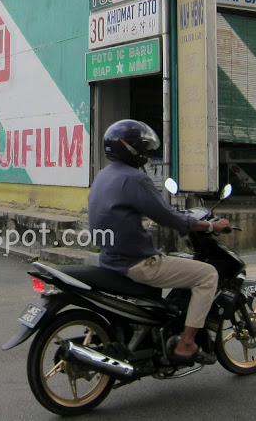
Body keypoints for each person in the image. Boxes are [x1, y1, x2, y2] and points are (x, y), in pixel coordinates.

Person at [88, 119, 230, 366]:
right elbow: (169, 217)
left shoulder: (103, 175)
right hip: (137, 263)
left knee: (177, 264)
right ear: (132, 149)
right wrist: (210, 225)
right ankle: (186, 343)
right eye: (144, 146)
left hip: (110, 258)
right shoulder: (135, 179)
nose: (147, 152)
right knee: (207, 274)